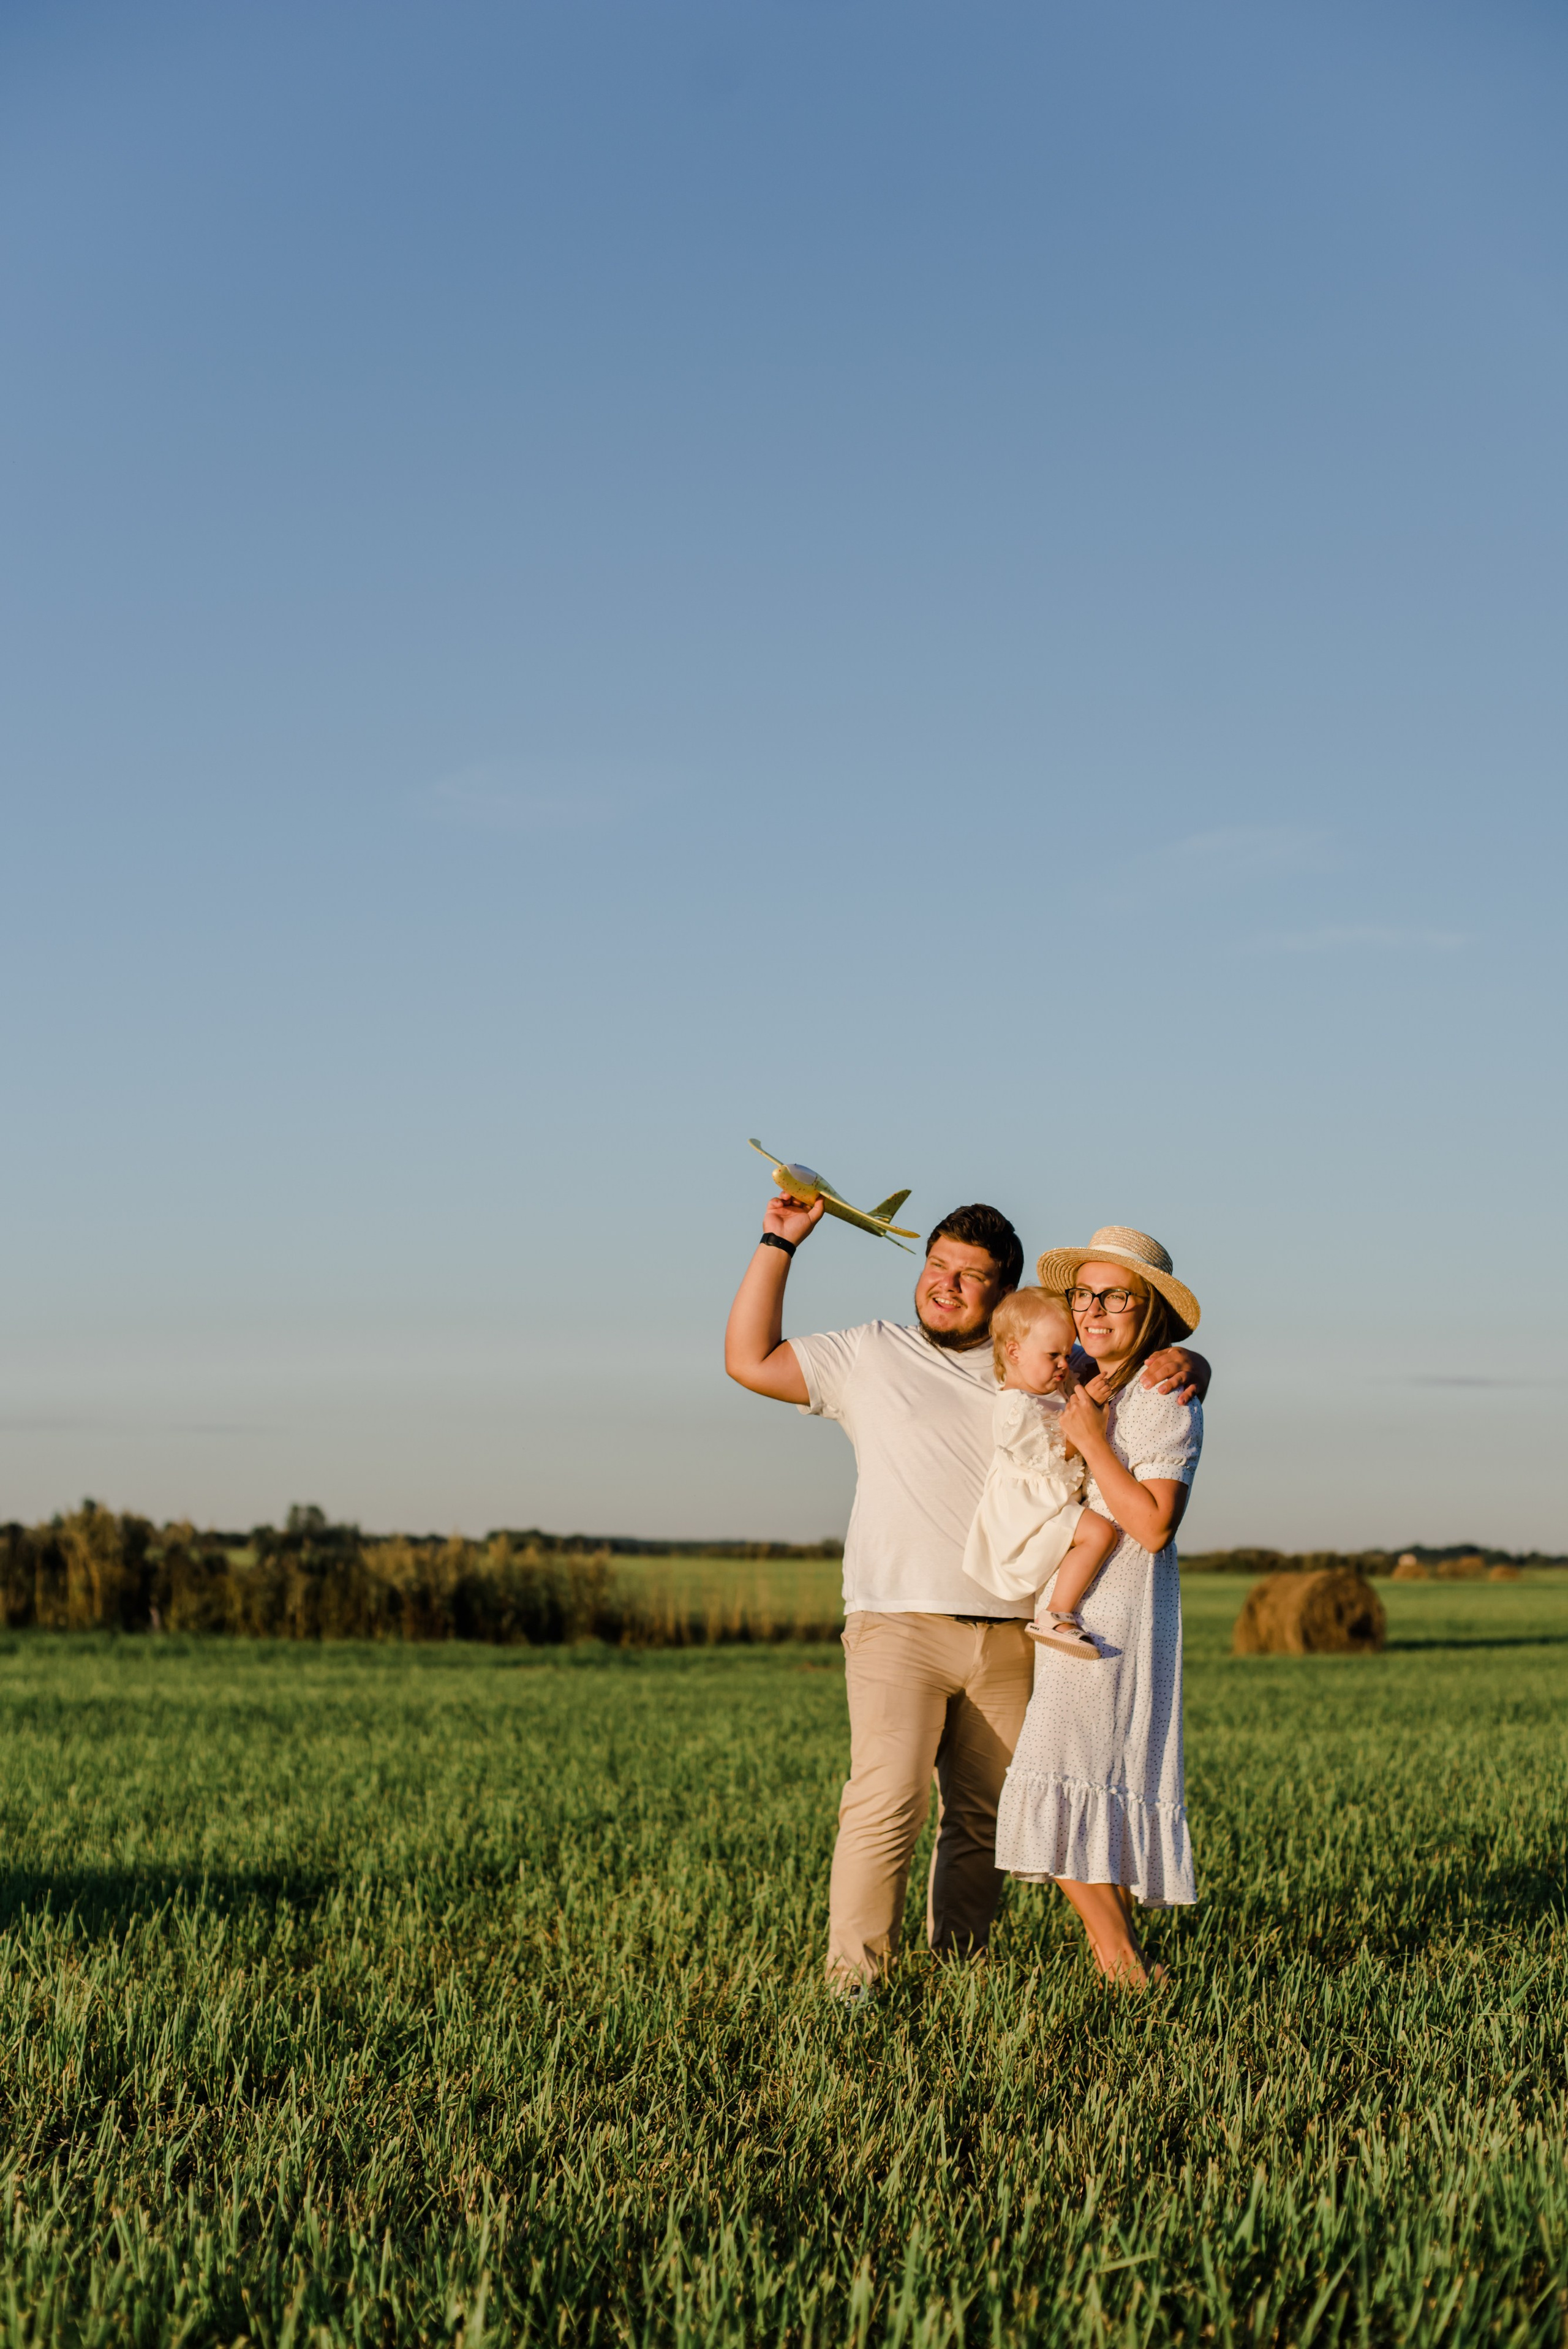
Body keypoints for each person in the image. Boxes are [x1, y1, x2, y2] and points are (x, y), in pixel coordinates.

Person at [723, 1190, 1210, 1994]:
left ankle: (962, 1972)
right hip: (897, 1618)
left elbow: (1139, 1376)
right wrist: (779, 1242)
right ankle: (857, 1984)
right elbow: (749, 1359)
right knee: (885, 1801)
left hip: (1016, 1630)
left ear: (1010, 1299)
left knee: (985, 1818)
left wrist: (1192, 1360)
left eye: (971, 1275)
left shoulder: (1048, 1363)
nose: (946, 1285)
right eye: (937, 1266)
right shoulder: (871, 1352)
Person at [995, 1227, 1205, 1988]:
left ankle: (1122, 1968)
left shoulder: (1157, 1398)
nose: (1091, 1310)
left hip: (1112, 1616)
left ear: (1145, 1307)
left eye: (1113, 1295)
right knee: (1084, 1781)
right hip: (1080, 1611)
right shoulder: (1096, 1379)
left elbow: (1152, 1524)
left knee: (1060, 1776)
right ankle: (1122, 1963)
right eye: (1082, 1294)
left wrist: (1090, 1440)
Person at [961, 1286, 1118, 1662]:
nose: (1065, 1364)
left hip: (1048, 1500)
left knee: (1097, 1533)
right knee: (1100, 1533)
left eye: (1066, 1353)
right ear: (1014, 1351)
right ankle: (1055, 1616)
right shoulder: (1016, 1407)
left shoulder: (1050, 1387)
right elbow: (1053, 1458)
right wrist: (1089, 1409)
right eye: (1054, 1355)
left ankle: (1057, 1612)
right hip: (1028, 1511)